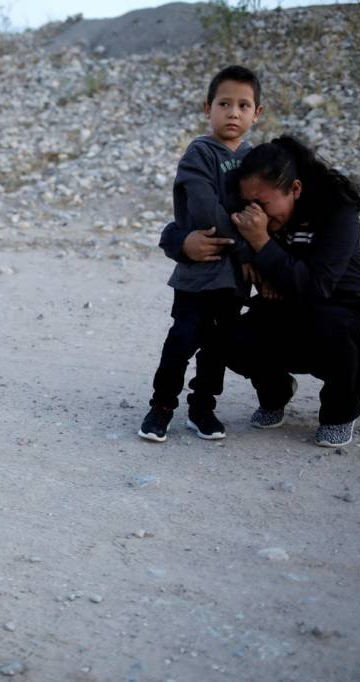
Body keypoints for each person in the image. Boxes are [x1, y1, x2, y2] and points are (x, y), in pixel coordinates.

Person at [227, 135, 360, 447]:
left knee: (335, 328)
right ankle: (276, 393)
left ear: (295, 189)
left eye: (264, 205)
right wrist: (244, 252)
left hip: (343, 314)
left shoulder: (338, 211)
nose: (258, 216)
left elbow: (317, 288)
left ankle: (340, 412)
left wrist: (261, 245)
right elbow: (216, 223)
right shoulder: (255, 214)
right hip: (288, 310)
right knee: (231, 334)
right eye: (249, 205)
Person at [138, 65, 264, 443]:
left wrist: (256, 254)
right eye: (224, 104)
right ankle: (161, 407)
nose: (233, 113)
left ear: (257, 114)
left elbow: (263, 210)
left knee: (217, 349)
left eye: (244, 105)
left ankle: (202, 408)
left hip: (234, 281)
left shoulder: (257, 158)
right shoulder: (199, 153)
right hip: (198, 273)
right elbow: (207, 210)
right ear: (207, 107)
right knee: (182, 339)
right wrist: (246, 248)